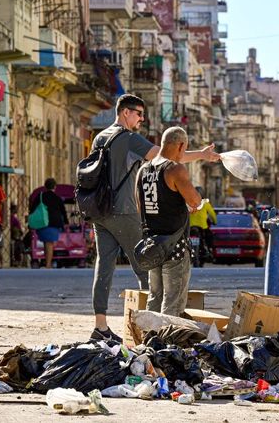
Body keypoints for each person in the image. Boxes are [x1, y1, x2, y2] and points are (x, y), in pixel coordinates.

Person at [89, 94, 219, 342]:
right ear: (125, 113)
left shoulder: (100, 137)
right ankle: (152, 333)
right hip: (124, 210)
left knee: (103, 267)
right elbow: (166, 156)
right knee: (147, 264)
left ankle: (100, 326)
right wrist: (201, 154)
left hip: (100, 211)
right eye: (138, 113)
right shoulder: (128, 138)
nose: (141, 119)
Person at [136, 127, 203, 316]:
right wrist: (195, 203)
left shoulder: (143, 170)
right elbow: (194, 201)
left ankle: (151, 332)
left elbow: (139, 206)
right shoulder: (174, 169)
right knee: (173, 300)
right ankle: (167, 334)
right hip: (175, 245)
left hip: (152, 244)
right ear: (180, 146)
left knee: (155, 296)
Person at [30, 178, 69, 269]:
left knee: (46, 242)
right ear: (55, 187)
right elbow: (63, 211)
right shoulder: (57, 198)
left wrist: (31, 222)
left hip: (42, 222)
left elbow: (32, 209)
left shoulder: (40, 196)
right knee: (49, 243)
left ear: (45, 186)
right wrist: (66, 222)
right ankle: (48, 264)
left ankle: (47, 262)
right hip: (54, 223)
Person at [189, 187, 217, 257]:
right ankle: (209, 249)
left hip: (190, 226)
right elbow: (212, 214)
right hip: (202, 226)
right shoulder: (205, 203)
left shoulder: (189, 202)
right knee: (209, 237)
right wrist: (215, 222)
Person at [9, 203, 26, 267]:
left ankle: (18, 260)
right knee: (18, 247)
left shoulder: (13, 217)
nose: (17, 210)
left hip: (17, 235)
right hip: (15, 235)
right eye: (15, 209)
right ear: (13, 210)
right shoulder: (12, 218)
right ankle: (17, 260)